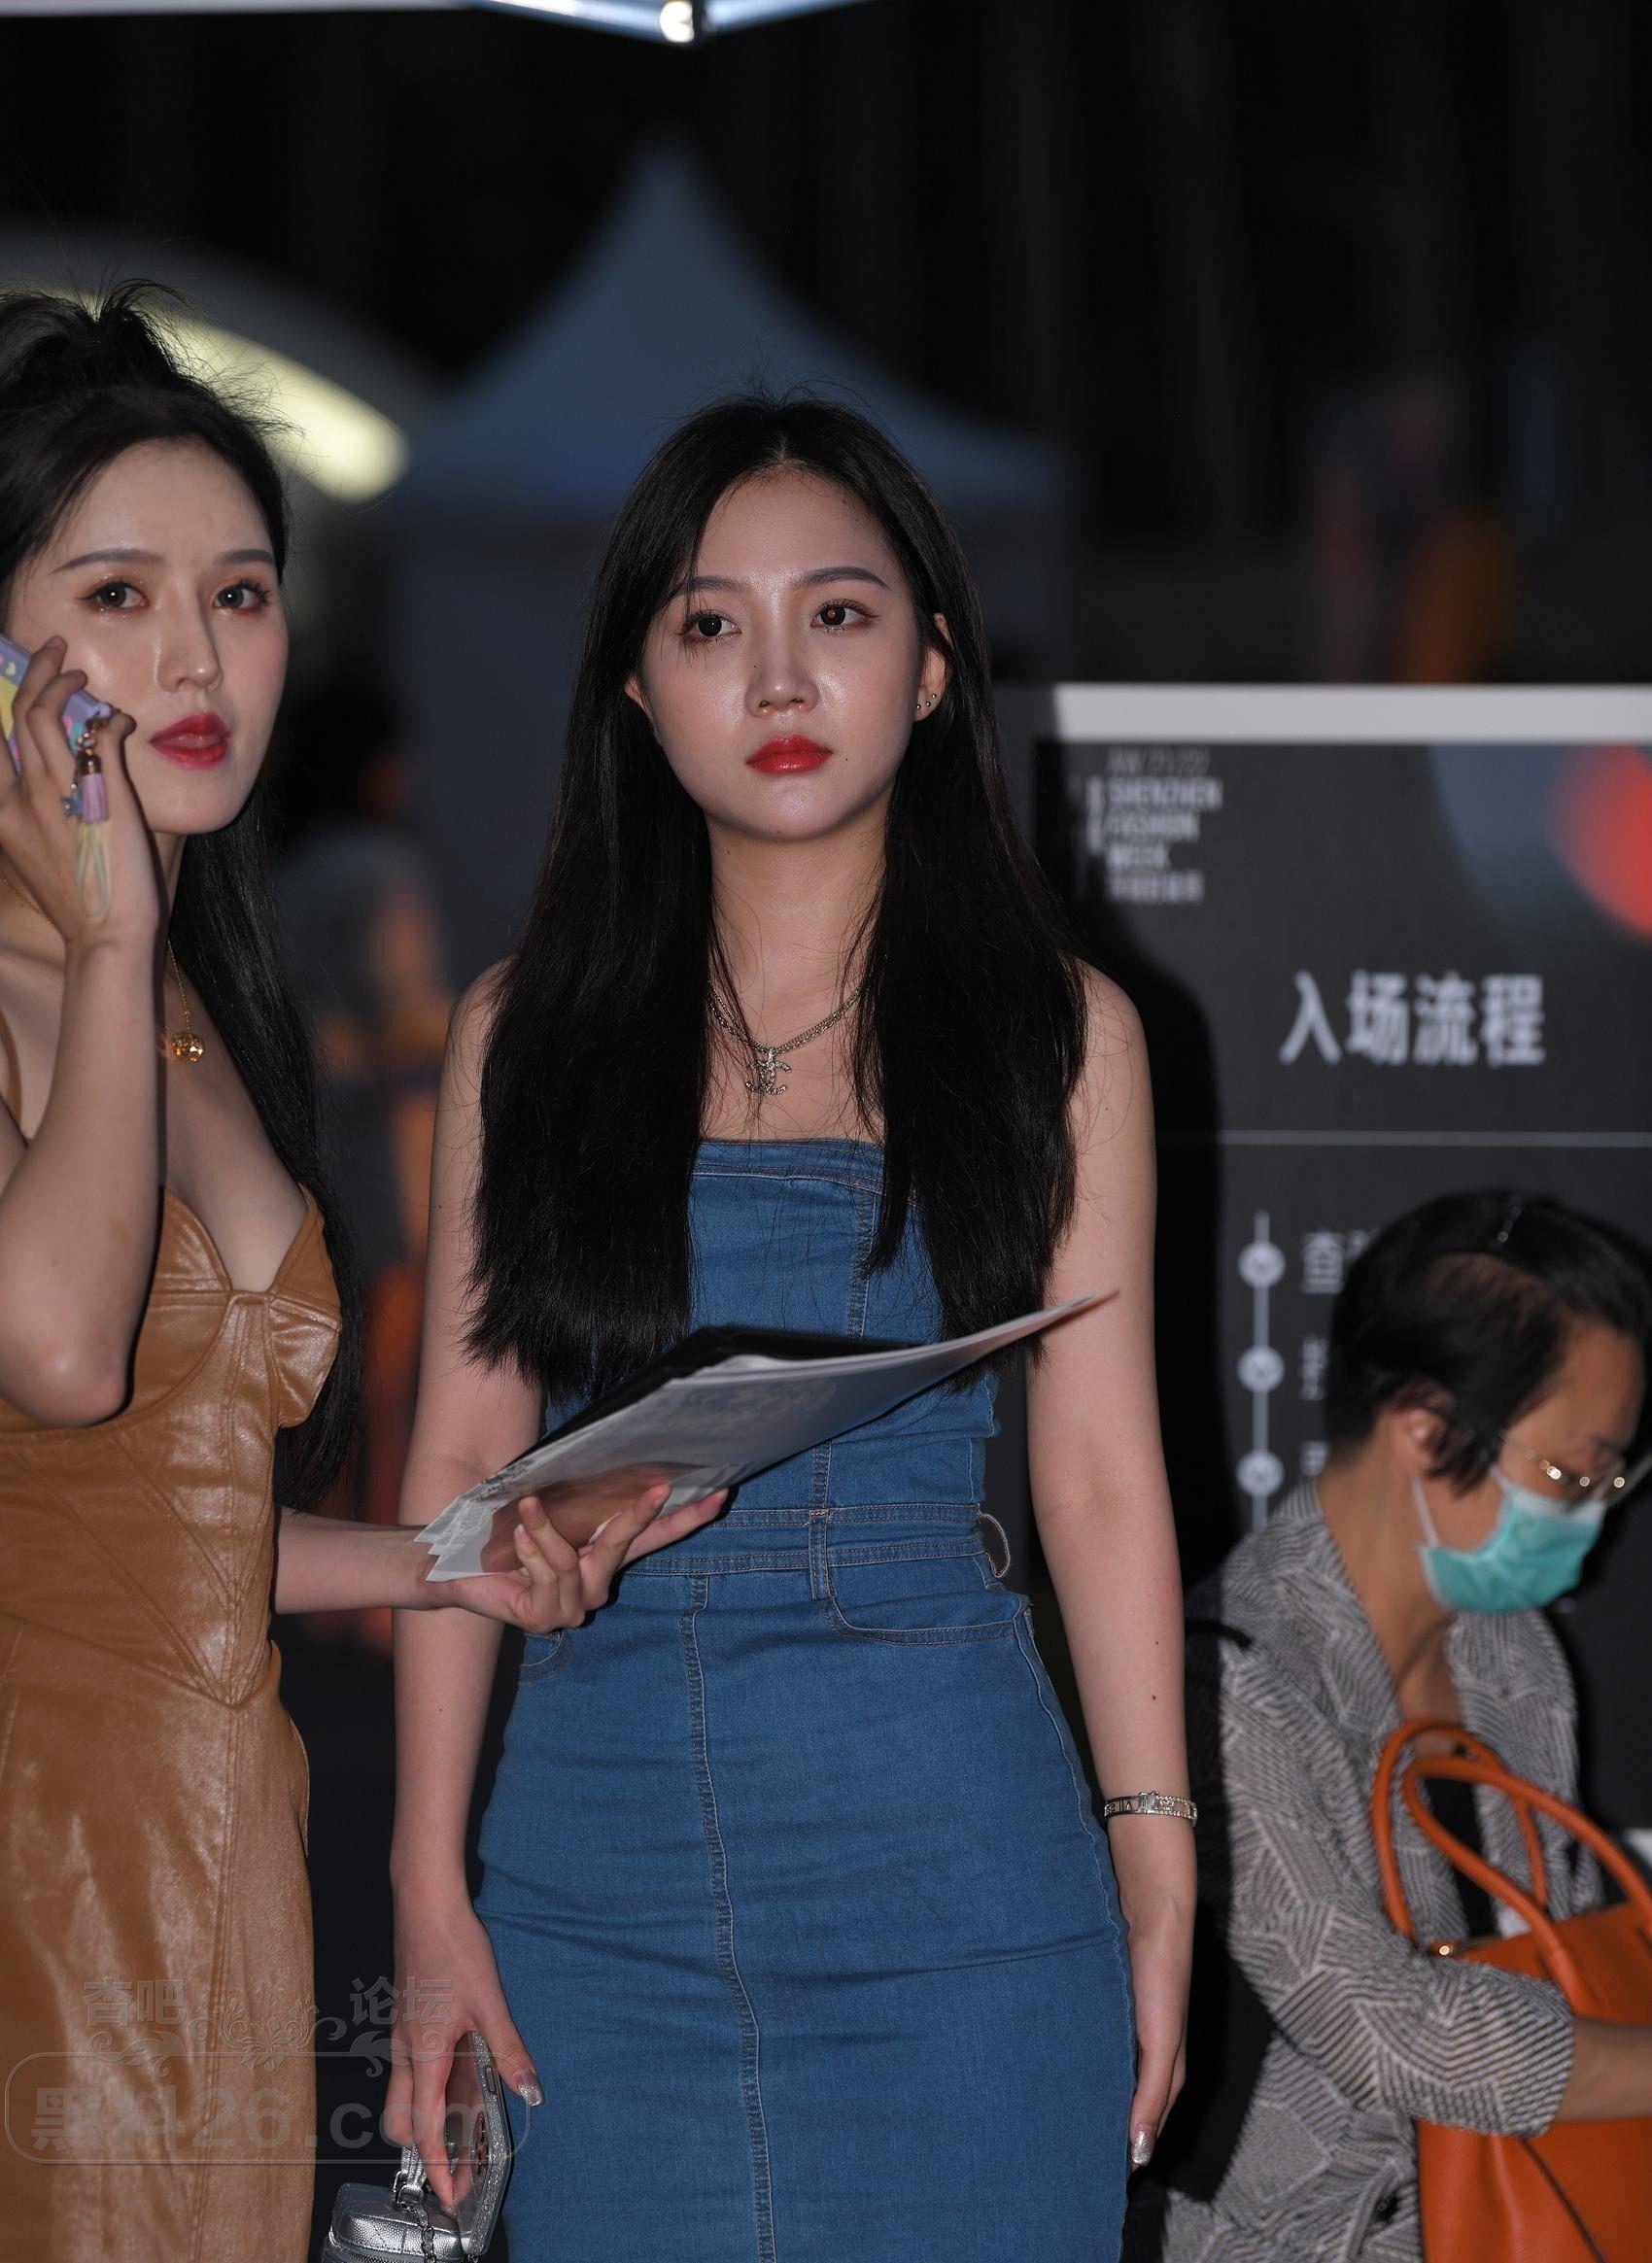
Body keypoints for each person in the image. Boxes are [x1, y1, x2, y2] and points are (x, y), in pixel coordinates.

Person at [387, 394, 1193, 2261]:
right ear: (635, 687)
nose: (777, 674)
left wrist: (1158, 1854)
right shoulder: (525, 1030)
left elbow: (1096, 1476)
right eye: (708, 622)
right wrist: (427, 1877)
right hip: (597, 1863)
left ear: (931, 666)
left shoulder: (1060, 1034)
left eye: (837, 613)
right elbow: (460, 1455)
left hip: (955, 1853)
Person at [0, 287, 698, 2263]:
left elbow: (139, 1514)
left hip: (224, 1853)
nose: (197, 656)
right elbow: (62, 1355)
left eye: (241, 592)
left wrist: (450, 1559)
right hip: (38, 1864)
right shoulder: (82, 975)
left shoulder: (193, 1002)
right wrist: (106, 939)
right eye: (117, 595)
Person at [1129, 1189, 1652, 2262]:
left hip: (1521, 2214)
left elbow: (1561, 1944)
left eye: (1613, 1477)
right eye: (1571, 1473)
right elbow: (1385, 2027)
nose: (1596, 1513)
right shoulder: (1217, 1679)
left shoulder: (1511, 1650)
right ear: (1424, 1428)